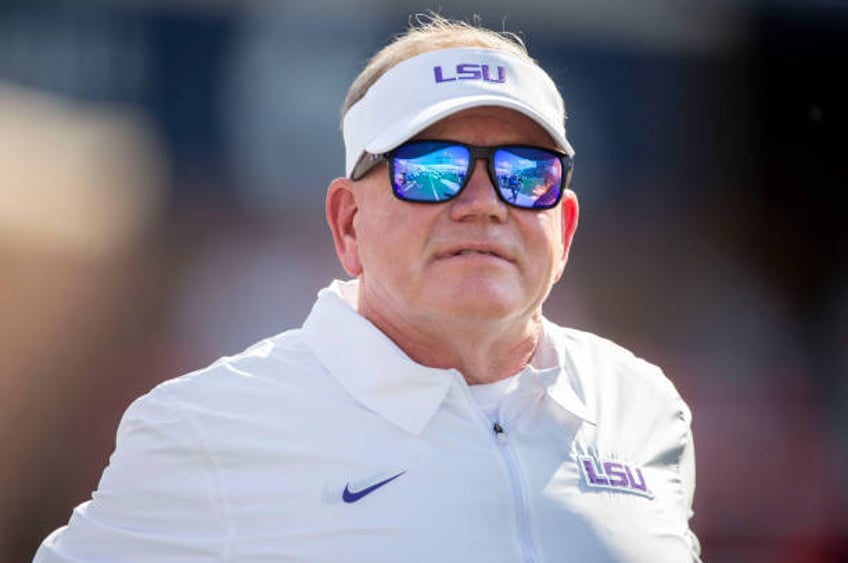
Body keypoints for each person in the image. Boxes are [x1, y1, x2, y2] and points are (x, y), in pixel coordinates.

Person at [34, 15, 700, 563]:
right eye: (432, 169)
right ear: (348, 222)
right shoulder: (206, 426)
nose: (484, 203)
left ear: (566, 226)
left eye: (525, 174)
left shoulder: (642, 408)